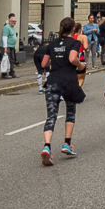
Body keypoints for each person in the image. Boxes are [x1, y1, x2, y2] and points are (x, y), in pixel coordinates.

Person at [39, 17, 87, 165]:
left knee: (51, 115)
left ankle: (47, 147)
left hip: (53, 81)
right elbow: (73, 58)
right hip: (69, 82)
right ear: (73, 30)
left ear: (60, 28)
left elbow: (44, 63)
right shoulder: (75, 42)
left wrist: (56, 59)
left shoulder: (52, 44)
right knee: (70, 112)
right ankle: (67, 144)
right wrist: (80, 65)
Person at [72, 22, 89, 89]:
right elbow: (85, 47)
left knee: (73, 77)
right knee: (81, 78)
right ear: (79, 30)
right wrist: (87, 50)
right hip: (80, 57)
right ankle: (77, 91)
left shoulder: (70, 37)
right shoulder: (83, 37)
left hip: (71, 58)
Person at [1, 13, 18, 78]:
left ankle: (11, 72)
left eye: (15, 22)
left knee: (12, 59)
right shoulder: (6, 27)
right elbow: (4, 37)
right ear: (9, 21)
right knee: (6, 60)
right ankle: (4, 74)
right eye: (13, 21)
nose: (14, 23)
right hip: (7, 46)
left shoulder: (12, 27)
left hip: (11, 46)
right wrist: (5, 47)